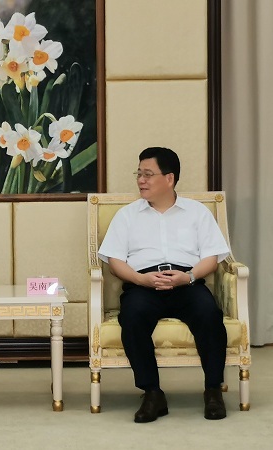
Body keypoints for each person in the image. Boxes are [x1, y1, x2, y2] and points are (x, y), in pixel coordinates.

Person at [98, 147, 229, 423]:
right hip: (143, 284)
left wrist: (188, 276)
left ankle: (213, 390)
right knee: (132, 316)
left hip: (187, 283)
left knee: (209, 314)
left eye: (148, 174)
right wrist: (139, 279)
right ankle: (152, 393)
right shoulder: (127, 215)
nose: (141, 180)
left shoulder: (197, 213)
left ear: (169, 179)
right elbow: (114, 261)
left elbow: (212, 258)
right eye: (139, 174)